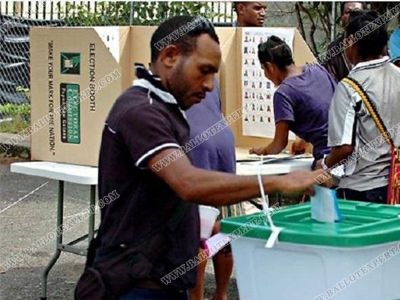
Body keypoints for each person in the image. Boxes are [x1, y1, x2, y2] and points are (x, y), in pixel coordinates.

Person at [86, 16, 324, 300]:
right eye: (204, 71)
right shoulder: (142, 112)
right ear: (170, 56)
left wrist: (202, 221)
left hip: (161, 278)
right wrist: (277, 182)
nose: (211, 86)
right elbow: (186, 182)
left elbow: (163, 192)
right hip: (135, 283)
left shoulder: (170, 111)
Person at [317, 11, 400, 203]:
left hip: (363, 188)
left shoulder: (349, 87)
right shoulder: (397, 75)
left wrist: (324, 164)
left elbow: (344, 148)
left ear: (351, 43)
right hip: (395, 184)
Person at [249, 36, 336, 169]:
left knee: (306, 185)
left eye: (263, 69)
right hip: (353, 146)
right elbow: (326, 110)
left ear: (270, 67)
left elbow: (279, 144)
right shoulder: (317, 70)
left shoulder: (283, 93)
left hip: (330, 156)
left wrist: (262, 151)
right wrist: (303, 141)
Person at [324, 2, 367, 82]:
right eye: (348, 12)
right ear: (341, 17)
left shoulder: (374, 43)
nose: (352, 16)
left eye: (357, 12)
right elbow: (331, 79)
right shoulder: (334, 47)